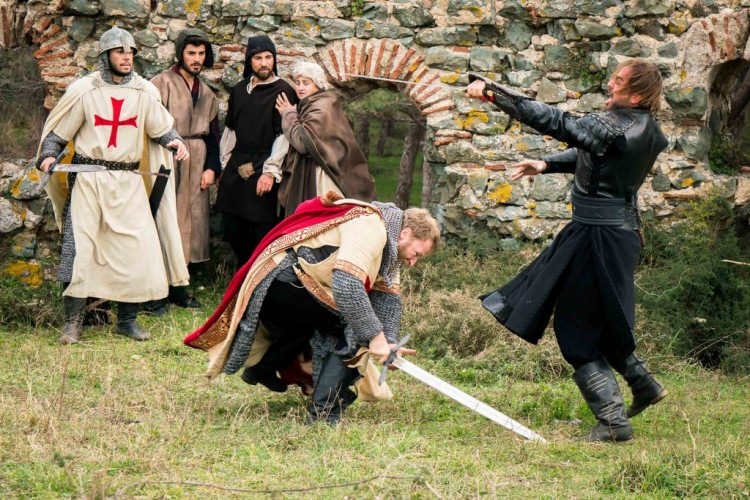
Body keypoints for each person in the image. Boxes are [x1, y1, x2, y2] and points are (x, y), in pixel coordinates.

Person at [467, 58, 669, 442]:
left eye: (619, 81)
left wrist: (494, 94)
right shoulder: (645, 128)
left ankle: (613, 423)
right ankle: (643, 385)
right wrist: (545, 164)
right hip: (615, 233)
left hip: (598, 237)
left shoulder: (616, 126)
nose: (610, 84)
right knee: (606, 318)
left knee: (575, 329)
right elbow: (593, 153)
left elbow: (559, 122)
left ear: (636, 95)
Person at [184, 191, 441, 425]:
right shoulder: (371, 226)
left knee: (330, 322)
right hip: (284, 280)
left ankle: (265, 366)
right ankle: (323, 412)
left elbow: (387, 300)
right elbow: (347, 285)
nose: (413, 262)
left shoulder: (391, 249)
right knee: (355, 326)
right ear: (406, 234)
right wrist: (375, 337)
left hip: (302, 285)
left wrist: (390, 343)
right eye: (417, 254)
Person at [37, 25, 190, 344]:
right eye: (120, 52)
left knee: (134, 250)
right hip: (89, 180)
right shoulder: (85, 90)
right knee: (80, 251)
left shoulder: (144, 92)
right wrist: (48, 156)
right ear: (105, 56)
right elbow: (58, 134)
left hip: (128, 183)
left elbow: (161, 128)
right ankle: (73, 324)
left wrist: (174, 141)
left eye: (130, 51)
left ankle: (127, 321)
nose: (127, 57)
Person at [150, 28, 222, 311]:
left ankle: (179, 288)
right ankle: (155, 289)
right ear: (181, 53)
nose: (196, 59)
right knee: (164, 218)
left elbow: (214, 136)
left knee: (191, 223)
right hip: (167, 158)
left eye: (201, 54)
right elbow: (149, 123)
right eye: (191, 53)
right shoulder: (161, 83)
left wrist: (212, 168)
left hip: (198, 161)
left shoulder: (208, 93)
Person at [213, 35, 299, 269]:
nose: (264, 63)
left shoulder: (283, 91)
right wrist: (224, 165)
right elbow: (230, 130)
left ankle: (258, 278)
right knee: (232, 226)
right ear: (249, 61)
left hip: (265, 162)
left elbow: (284, 136)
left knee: (260, 229)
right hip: (237, 161)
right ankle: (242, 275)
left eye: (268, 57)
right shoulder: (240, 90)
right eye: (258, 58)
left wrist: (270, 172)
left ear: (274, 59)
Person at [274, 61, 376, 217]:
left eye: (306, 83)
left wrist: (288, 114)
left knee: (321, 219)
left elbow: (303, 143)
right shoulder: (312, 103)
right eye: (298, 82)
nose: (300, 87)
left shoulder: (322, 106)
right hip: (314, 169)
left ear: (318, 84)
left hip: (322, 175)